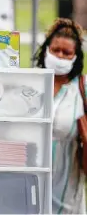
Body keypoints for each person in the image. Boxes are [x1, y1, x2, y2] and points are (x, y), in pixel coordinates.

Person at [33, 18, 85, 214]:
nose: (60, 56)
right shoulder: (29, 84)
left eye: (66, 53)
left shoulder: (82, 90)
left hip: (67, 196)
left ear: (75, 57)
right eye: (56, 50)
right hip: (29, 193)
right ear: (46, 49)